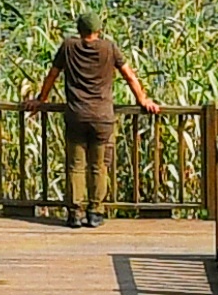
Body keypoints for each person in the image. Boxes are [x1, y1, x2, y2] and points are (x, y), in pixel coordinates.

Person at [23, 15, 160, 222]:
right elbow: (129, 76)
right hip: (102, 117)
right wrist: (143, 99)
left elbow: (52, 75)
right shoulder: (109, 48)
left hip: (76, 115)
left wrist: (41, 99)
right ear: (99, 29)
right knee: (99, 166)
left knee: (75, 165)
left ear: (79, 29)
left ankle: (75, 212)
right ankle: (95, 211)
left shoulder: (68, 47)